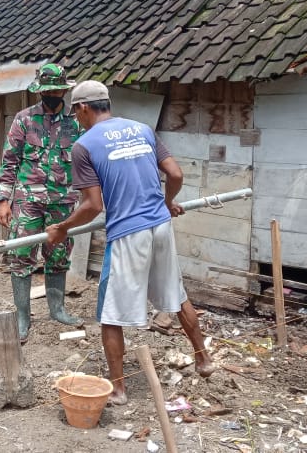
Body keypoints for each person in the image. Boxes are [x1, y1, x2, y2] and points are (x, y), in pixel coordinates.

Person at [45, 80, 214, 406]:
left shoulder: (84, 145)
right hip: (161, 227)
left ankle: (119, 390)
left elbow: (93, 206)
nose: (77, 119)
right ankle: (204, 358)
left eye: (76, 112)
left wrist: (63, 228)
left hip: (128, 234)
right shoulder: (143, 130)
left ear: (82, 108)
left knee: (110, 314)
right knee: (176, 296)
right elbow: (176, 174)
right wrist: (167, 201)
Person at [0, 63, 83, 342]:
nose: (51, 94)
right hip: (27, 200)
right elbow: (9, 161)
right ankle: (23, 316)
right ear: (40, 91)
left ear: (63, 90)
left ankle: (57, 309)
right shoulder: (24, 120)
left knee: (58, 255)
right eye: (47, 90)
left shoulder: (76, 122)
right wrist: (2, 200)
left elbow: (88, 162)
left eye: (56, 90)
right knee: (21, 256)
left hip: (63, 201)